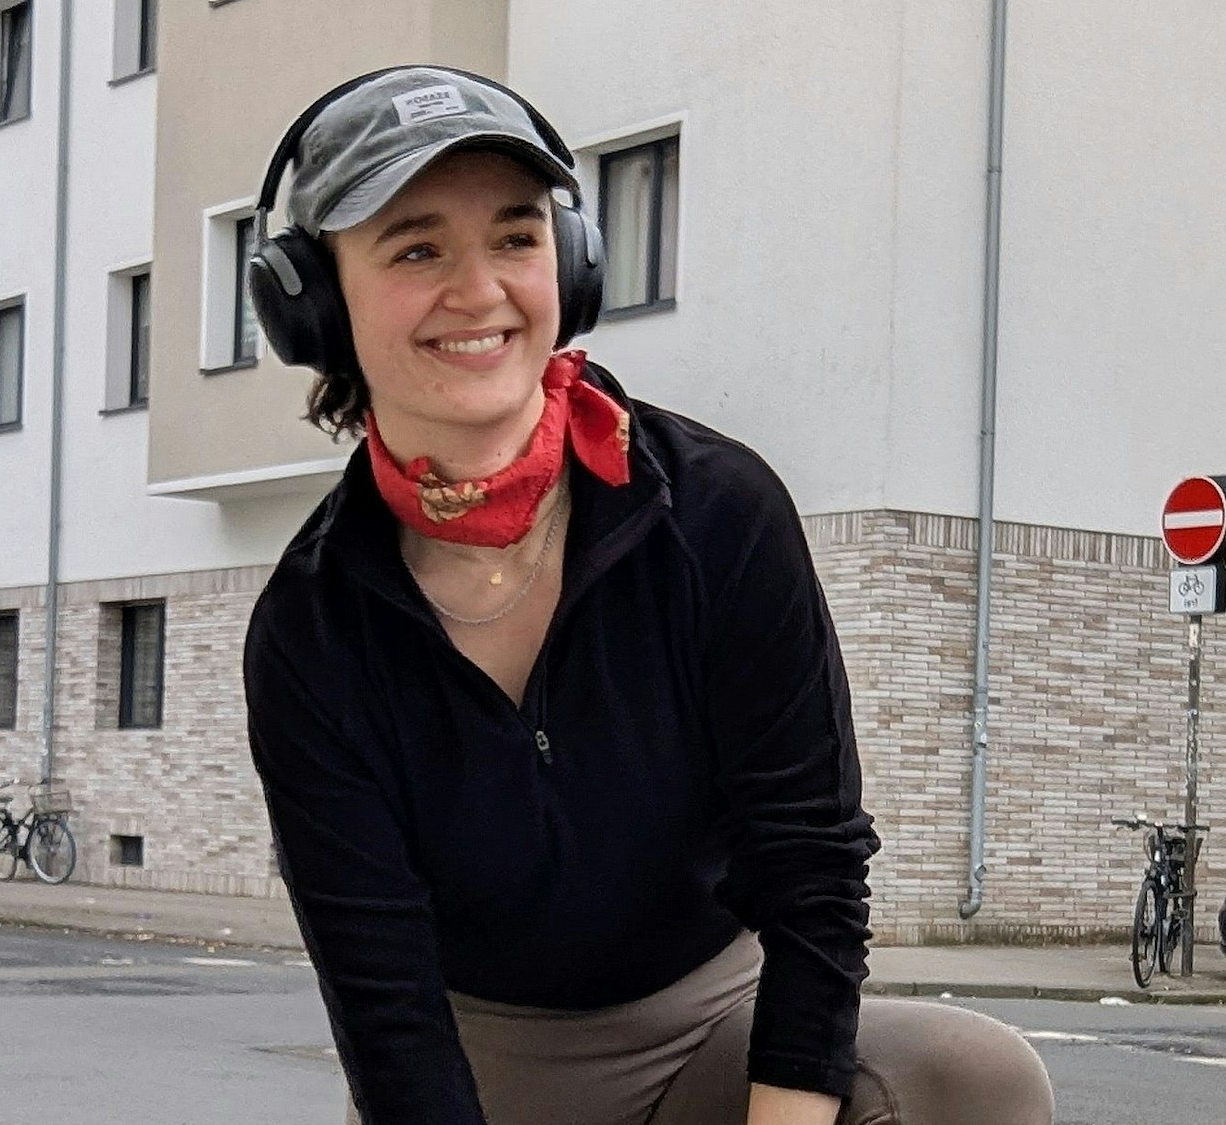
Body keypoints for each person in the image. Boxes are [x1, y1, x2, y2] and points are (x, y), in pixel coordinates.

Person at [240, 65, 1055, 1125]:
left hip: (713, 1027)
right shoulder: (309, 627)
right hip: (484, 1062)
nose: (479, 291)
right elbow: (381, 999)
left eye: (516, 237)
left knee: (972, 1077)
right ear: (311, 300)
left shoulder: (714, 513)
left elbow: (809, 867)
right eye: (416, 248)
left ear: (571, 264)